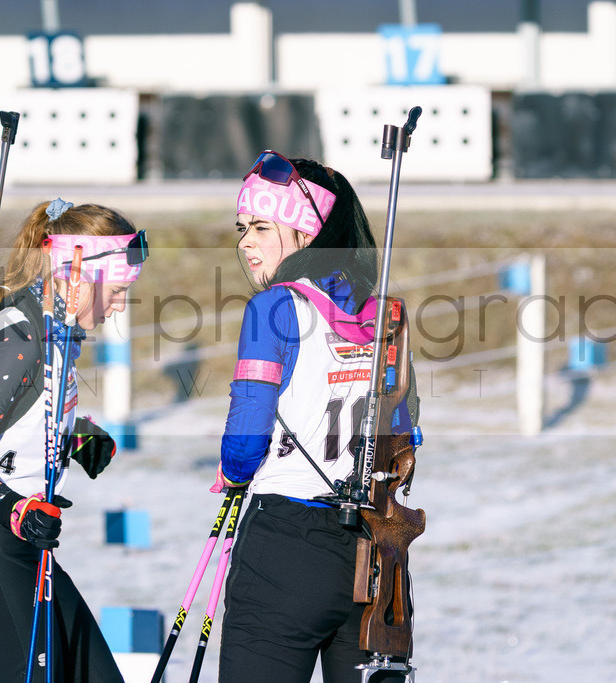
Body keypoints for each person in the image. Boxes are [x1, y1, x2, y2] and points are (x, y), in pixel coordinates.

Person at [212, 152, 412, 682]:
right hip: (373, 551)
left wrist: (231, 473)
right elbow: (407, 435)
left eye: (260, 226)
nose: (244, 242)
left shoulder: (275, 306)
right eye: (242, 228)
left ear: (308, 233)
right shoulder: (382, 312)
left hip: (285, 542)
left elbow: (244, 441)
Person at [0, 199, 147, 683]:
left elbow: (24, 416)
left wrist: (78, 438)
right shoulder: (22, 337)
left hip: (22, 547)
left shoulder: (55, 329)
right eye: (115, 289)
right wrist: (15, 509)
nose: (120, 303)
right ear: (73, 273)